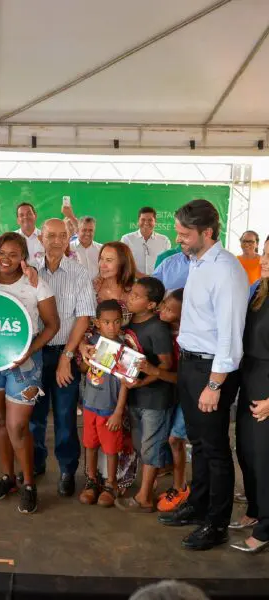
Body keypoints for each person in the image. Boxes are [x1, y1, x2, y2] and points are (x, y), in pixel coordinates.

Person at [158, 199, 248, 552]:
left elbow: (229, 335)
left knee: (214, 450)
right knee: (198, 442)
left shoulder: (226, 270)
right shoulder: (196, 261)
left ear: (206, 233)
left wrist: (214, 384)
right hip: (190, 363)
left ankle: (217, 523)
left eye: (184, 233)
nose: (178, 238)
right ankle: (198, 504)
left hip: (212, 370)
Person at [0, 233, 59, 514]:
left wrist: (29, 351)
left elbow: (52, 325)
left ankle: (28, 484)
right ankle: (7, 478)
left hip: (26, 364)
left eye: (14, 254)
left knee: (17, 426)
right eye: (2, 252)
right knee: (0, 421)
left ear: (23, 258)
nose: (6, 259)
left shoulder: (35, 284)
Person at [31, 218, 97, 496]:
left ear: (69, 237)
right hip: (33, 356)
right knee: (33, 415)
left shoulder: (79, 273)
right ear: (40, 239)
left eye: (62, 235)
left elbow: (84, 317)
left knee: (65, 415)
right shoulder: (30, 272)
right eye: (50, 236)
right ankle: (34, 463)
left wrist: (67, 356)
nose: (56, 241)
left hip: (64, 353)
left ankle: (68, 469)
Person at [114, 277, 174, 513]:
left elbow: (166, 366)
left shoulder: (157, 328)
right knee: (142, 444)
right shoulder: (131, 324)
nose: (131, 298)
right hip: (137, 397)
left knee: (151, 446)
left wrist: (140, 384)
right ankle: (148, 486)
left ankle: (144, 498)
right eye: (131, 293)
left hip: (155, 399)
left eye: (137, 296)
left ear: (151, 305)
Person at [229, 236, 269, 554]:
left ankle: (267, 527)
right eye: (265, 253)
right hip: (250, 379)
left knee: (264, 458)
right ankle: (255, 510)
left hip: (267, 388)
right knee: (246, 450)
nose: (265, 259)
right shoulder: (259, 290)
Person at [138, 289, 190, 512]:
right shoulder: (164, 330)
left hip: (189, 394)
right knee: (170, 441)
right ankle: (177, 484)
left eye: (169, 310)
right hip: (172, 395)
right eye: (163, 305)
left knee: (175, 439)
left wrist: (153, 371)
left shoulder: (187, 338)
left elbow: (182, 379)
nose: (162, 310)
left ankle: (180, 488)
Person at [79, 300, 128, 507]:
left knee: (110, 449)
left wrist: (119, 412)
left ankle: (111, 484)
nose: (112, 327)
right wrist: (85, 356)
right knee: (90, 445)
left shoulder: (125, 349)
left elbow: (126, 384)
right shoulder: (92, 342)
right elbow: (83, 369)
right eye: (106, 322)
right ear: (97, 322)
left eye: (116, 322)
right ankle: (91, 481)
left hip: (110, 407)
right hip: (90, 404)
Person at [121, 207, 171, 277]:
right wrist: (141, 276)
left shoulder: (164, 240)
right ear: (138, 221)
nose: (146, 223)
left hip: (157, 282)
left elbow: (167, 263)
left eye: (150, 220)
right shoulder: (126, 239)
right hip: (132, 282)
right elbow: (123, 262)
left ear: (155, 221)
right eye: (143, 219)